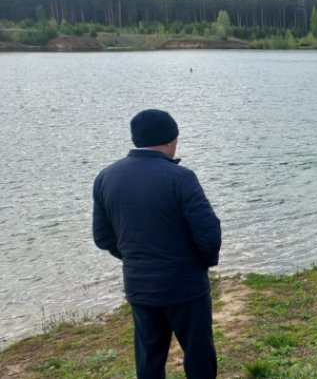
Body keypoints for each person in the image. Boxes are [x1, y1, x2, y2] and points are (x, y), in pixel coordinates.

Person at [93, 109, 222, 379]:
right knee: (198, 354)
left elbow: (103, 238)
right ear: (170, 140)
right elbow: (208, 234)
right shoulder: (181, 177)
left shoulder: (106, 177)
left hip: (140, 285)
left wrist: (135, 257)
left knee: (149, 357)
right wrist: (200, 263)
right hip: (185, 286)